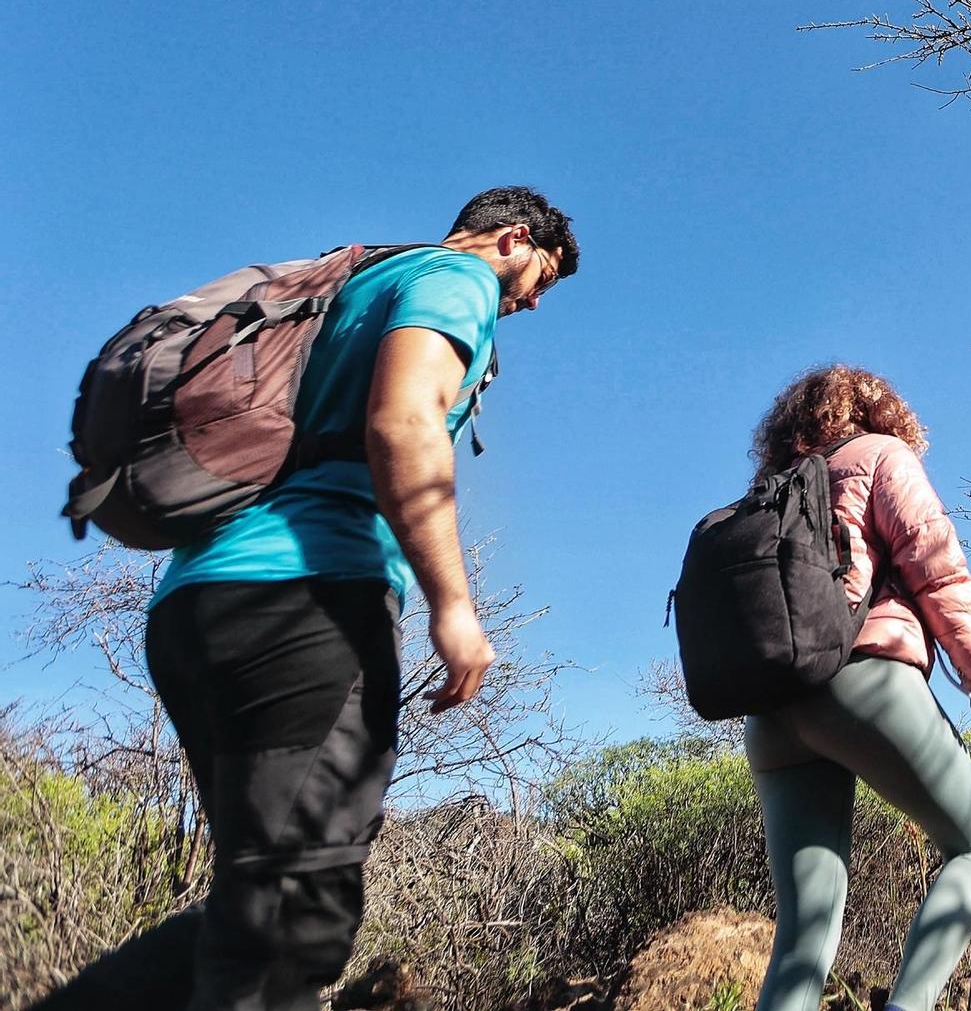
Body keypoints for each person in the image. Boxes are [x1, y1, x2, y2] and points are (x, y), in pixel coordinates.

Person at [34, 187, 579, 1011]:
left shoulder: (353, 286)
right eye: (544, 275)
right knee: (293, 921)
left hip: (197, 604)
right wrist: (453, 607)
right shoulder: (455, 279)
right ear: (512, 239)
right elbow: (404, 423)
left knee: (263, 906)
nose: (536, 299)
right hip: (306, 599)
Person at [741, 364, 971, 1011]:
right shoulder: (882, 455)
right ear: (879, 408)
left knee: (803, 934)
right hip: (865, 683)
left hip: (771, 715)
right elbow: (937, 567)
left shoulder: (769, 492)